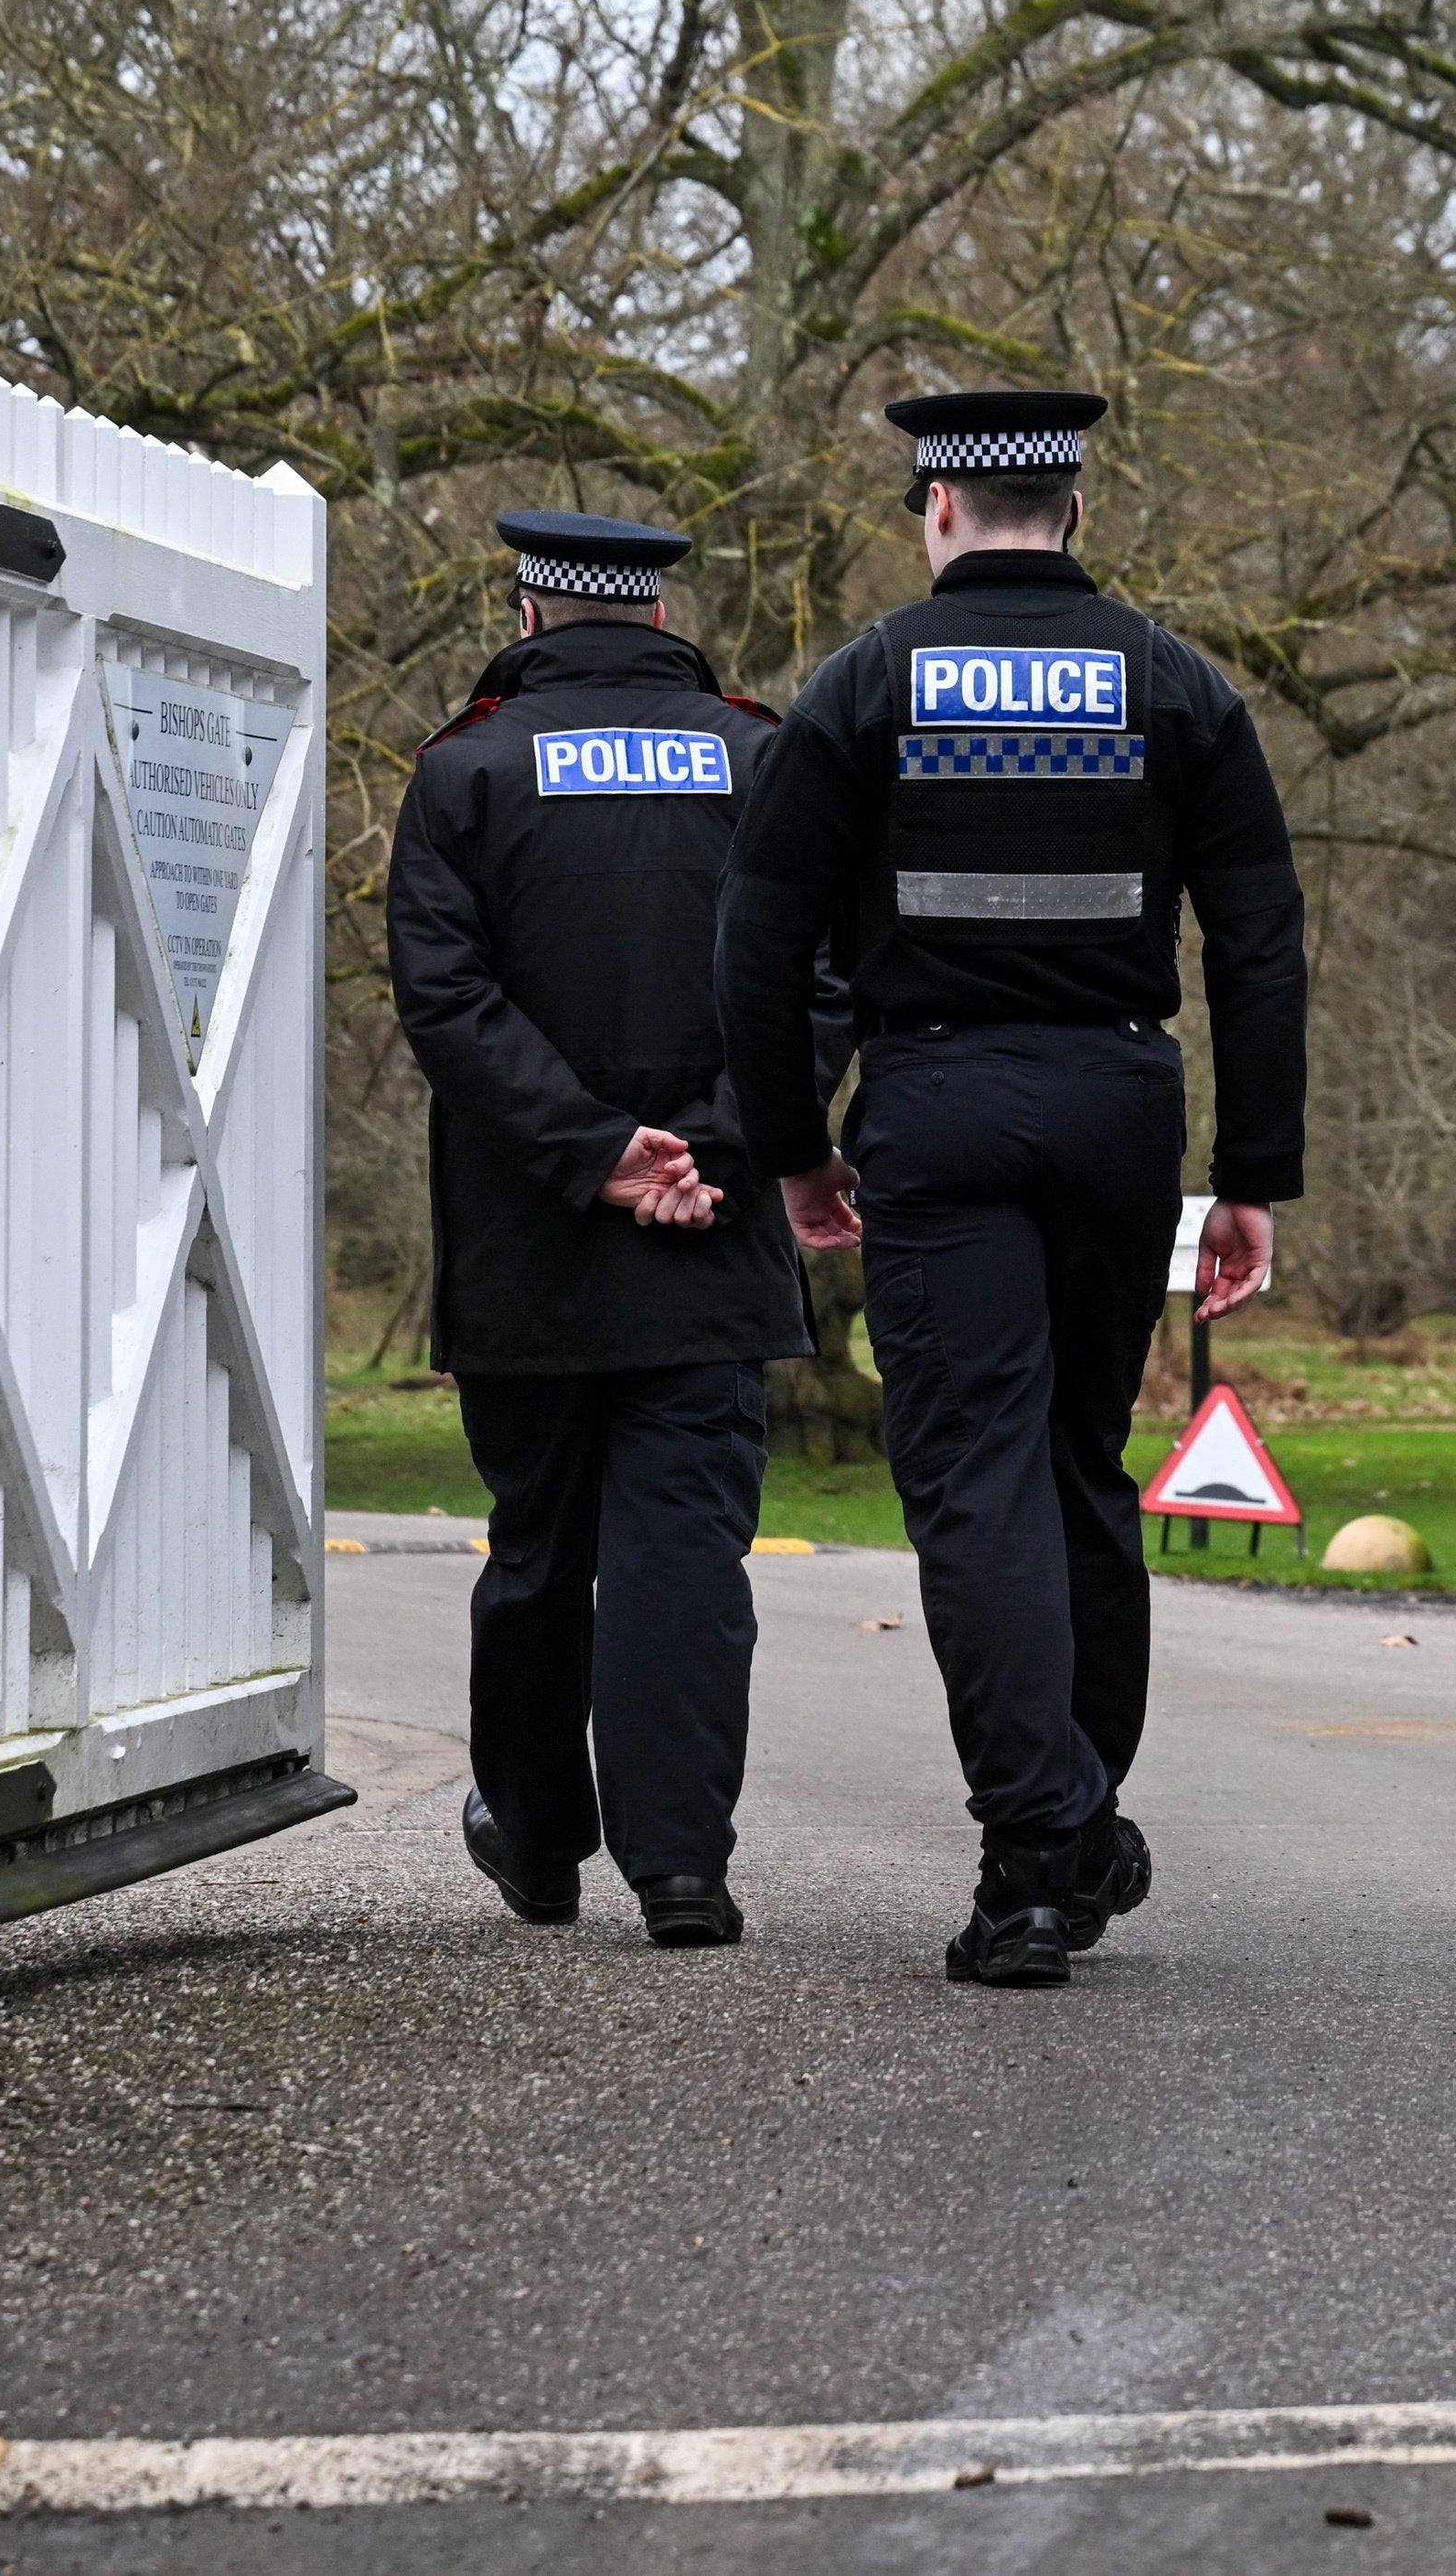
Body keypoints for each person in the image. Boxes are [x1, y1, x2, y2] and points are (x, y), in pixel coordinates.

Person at [713, 389, 1307, 1988]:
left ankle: (1033, 1857)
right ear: (1078, 510)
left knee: (973, 1476)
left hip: (936, 1103)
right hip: (1120, 1101)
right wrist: (1254, 1169)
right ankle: (1077, 1808)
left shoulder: (867, 685)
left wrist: (790, 1148)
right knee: (1074, 1466)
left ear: (938, 511)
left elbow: (759, 940)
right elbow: (1257, 938)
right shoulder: (1178, 684)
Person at [390, 510, 825, 1949]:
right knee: (686, 1553)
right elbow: (822, 986)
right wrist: (712, 1143)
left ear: (529, 612)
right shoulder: (761, 759)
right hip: (712, 1241)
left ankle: (536, 1831)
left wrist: (595, 1155)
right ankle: (682, 1863)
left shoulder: (463, 768)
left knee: (538, 1548)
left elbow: (446, 1002)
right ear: (655, 612)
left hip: (535, 1246)